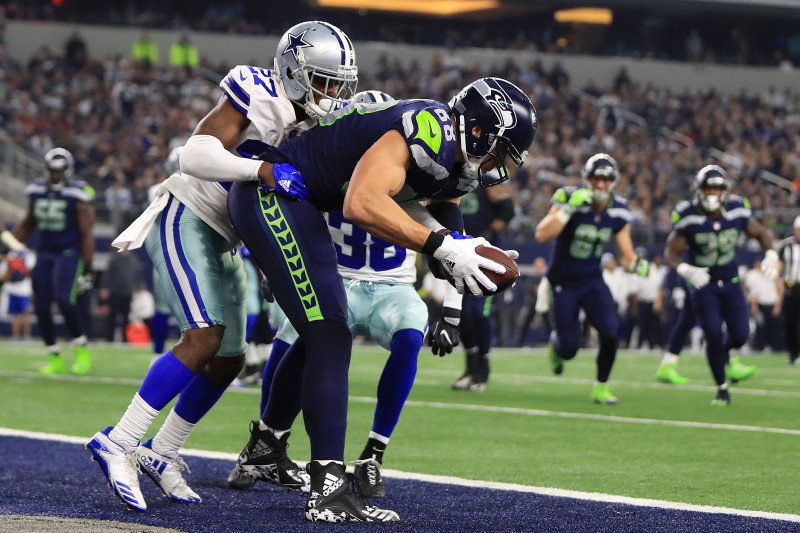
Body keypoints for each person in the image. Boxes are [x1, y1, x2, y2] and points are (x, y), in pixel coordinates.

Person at [226, 77, 536, 522]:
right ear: (480, 129)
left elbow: (443, 223)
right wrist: (447, 248)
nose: (500, 165)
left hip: (298, 203)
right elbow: (362, 201)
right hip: (274, 190)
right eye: (501, 150)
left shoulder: (452, 162)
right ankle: (329, 488)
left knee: (323, 332)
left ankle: (266, 448)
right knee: (331, 331)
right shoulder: (431, 128)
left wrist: (469, 257)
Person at [85, 21, 359, 514]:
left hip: (232, 238)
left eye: (339, 82)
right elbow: (194, 152)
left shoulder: (317, 123)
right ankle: (119, 440)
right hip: (187, 216)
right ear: (294, 73)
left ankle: (161, 450)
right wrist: (261, 168)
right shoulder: (261, 90)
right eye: (323, 80)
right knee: (204, 337)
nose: (332, 92)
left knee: (229, 359)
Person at [535, 153, 649, 405]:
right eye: (596, 179)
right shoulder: (568, 197)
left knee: (610, 331)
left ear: (614, 183)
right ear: (587, 180)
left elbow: (626, 255)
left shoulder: (618, 209)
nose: (600, 185)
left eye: (606, 180)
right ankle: (556, 345)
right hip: (563, 281)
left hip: (591, 279)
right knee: (569, 349)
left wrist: (636, 265)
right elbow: (542, 234)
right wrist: (569, 209)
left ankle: (601, 386)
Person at [663, 165, 776, 405]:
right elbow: (671, 253)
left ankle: (723, 355)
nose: (712, 193)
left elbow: (761, 233)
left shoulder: (736, 211)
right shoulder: (689, 215)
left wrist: (771, 254)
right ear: (699, 191)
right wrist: (685, 269)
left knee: (741, 335)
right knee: (713, 334)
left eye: (717, 188)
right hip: (703, 284)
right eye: (708, 188)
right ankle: (722, 387)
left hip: (732, 283)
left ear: (724, 191)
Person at [12, 148, 94, 375]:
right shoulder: (36, 190)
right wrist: (9, 243)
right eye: (51, 171)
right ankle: (54, 355)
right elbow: (28, 223)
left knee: (64, 300)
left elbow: (87, 232)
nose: (54, 176)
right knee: (40, 306)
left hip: (68, 252)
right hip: (45, 251)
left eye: (58, 171)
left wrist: (88, 266)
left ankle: (82, 349)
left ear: (67, 171)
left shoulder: (78, 193)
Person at [451, 173, 515, 391]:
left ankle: (483, 368)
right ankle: (470, 369)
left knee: (478, 312)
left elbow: (508, 208)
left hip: (485, 258)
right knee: (464, 316)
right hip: (458, 255)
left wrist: (490, 233)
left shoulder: (486, 177)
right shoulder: (450, 174)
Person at [776, 214, 800, 364]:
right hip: (790, 287)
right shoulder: (786, 246)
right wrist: (778, 283)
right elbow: (778, 268)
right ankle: (793, 354)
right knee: (789, 323)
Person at [0, 249, 35, 341]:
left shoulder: (27, 255)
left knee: (25, 313)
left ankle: (27, 335)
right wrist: (10, 269)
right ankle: (15, 336)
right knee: (15, 314)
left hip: (24, 288)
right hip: (12, 288)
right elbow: (2, 276)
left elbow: (32, 269)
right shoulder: (8, 257)